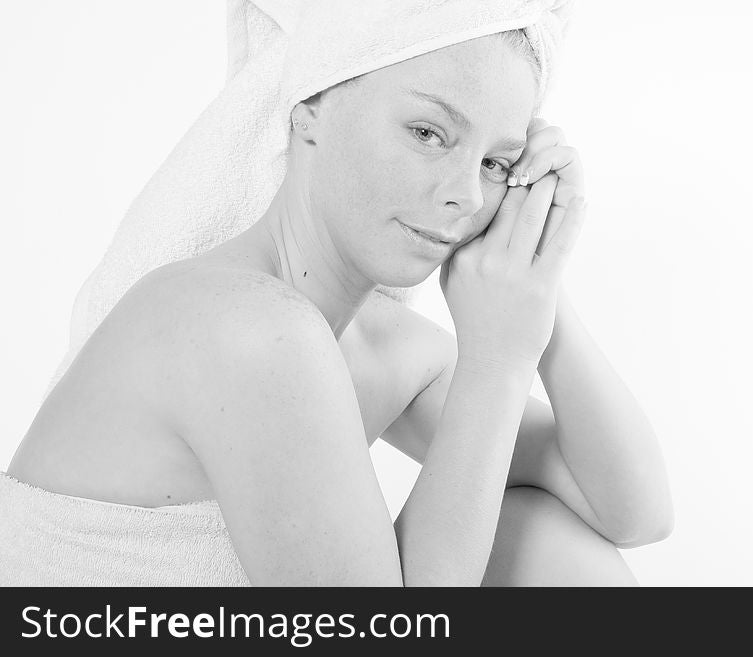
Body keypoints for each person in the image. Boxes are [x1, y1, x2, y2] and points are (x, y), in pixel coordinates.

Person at [1, 3, 673, 586]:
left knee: (538, 528)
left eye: (497, 163)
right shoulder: (242, 325)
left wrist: (535, 284)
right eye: (427, 133)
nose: (467, 194)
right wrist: (497, 360)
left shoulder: (374, 342)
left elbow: (630, 509)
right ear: (310, 109)